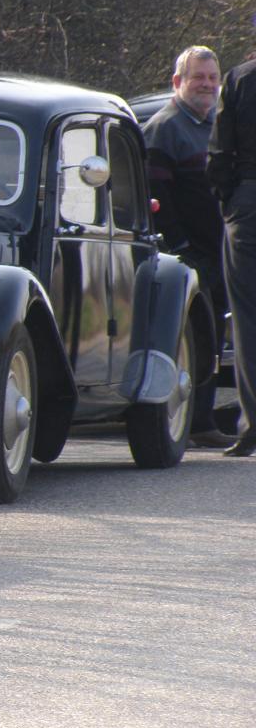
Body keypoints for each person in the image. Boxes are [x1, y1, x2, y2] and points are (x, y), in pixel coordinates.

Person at [142, 46, 233, 449]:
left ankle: (206, 418)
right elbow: (156, 194)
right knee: (199, 338)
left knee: (216, 336)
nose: (208, 85)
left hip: (221, 251)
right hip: (188, 255)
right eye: (200, 77)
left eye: (213, 78)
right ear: (178, 82)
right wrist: (181, 246)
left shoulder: (216, 125)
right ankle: (196, 422)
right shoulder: (165, 128)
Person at [208, 51, 256, 456]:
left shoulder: (240, 79)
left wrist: (231, 202)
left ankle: (252, 425)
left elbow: (219, 154)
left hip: (249, 201)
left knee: (247, 317)